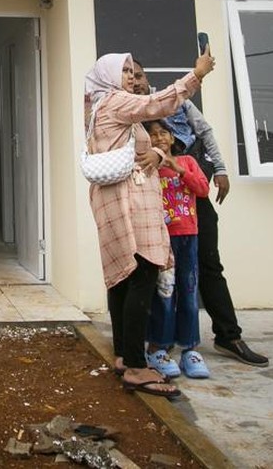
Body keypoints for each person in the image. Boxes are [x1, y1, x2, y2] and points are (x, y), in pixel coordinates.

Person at [85, 50, 214, 399]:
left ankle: (124, 355)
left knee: (123, 279)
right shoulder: (116, 102)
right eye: (124, 70)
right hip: (130, 199)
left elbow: (136, 147)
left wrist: (157, 154)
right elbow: (159, 104)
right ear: (109, 76)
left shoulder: (98, 105)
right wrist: (197, 74)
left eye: (132, 70)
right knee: (142, 274)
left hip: (113, 200)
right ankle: (136, 367)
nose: (130, 76)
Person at [133, 61, 269, 367]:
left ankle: (228, 335)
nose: (136, 82)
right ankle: (159, 340)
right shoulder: (127, 111)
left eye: (139, 75)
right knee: (155, 272)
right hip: (151, 198)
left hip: (189, 194)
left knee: (207, 264)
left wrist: (219, 169)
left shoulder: (174, 100)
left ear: (146, 77)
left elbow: (204, 131)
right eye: (129, 77)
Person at [143, 119, 211, 379]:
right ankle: (158, 348)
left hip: (188, 237)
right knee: (164, 292)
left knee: (189, 292)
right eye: (153, 134)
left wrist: (178, 169)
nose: (159, 137)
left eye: (164, 133)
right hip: (162, 239)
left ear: (172, 138)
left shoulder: (187, 162)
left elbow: (202, 189)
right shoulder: (148, 168)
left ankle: (190, 349)